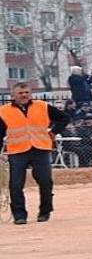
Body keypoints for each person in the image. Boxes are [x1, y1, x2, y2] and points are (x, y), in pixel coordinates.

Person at [0, 82, 70, 224]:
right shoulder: (3, 111)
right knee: (15, 185)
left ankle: (45, 211)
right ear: (13, 95)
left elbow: (64, 118)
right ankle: (20, 215)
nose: (24, 95)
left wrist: (54, 131)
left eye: (26, 92)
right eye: (20, 93)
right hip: (17, 151)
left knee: (45, 182)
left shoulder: (42, 106)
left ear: (30, 93)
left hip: (40, 149)